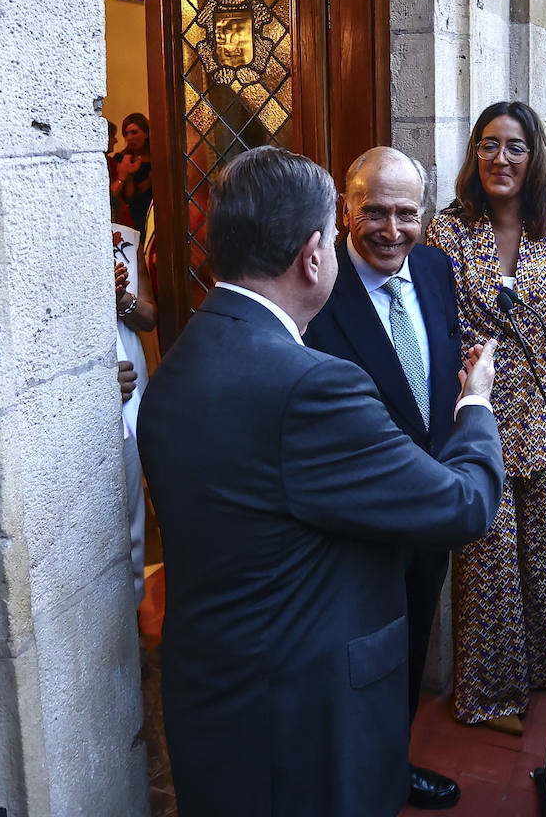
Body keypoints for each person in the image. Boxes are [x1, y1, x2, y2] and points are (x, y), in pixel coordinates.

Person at [136, 146, 503, 817]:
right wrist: (475, 405)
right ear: (313, 253)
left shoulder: (184, 357)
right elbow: (465, 504)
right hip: (302, 724)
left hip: (212, 702)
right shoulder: (312, 385)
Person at [427, 101, 546, 734]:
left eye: (513, 147)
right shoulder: (446, 230)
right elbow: (432, 322)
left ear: (534, 158)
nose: (498, 159)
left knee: (542, 554)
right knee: (487, 560)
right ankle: (493, 694)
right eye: (487, 145)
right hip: (479, 417)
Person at [300, 147, 467, 808]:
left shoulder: (434, 267)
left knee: (408, 649)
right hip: (353, 529)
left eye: (406, 213)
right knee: (350, 666)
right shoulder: (315, 289)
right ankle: (347, 783)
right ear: (346, 208)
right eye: (374, 212)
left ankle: (392, 768)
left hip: (425, 516)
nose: (392, 230)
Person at [112, 213, 157, 606]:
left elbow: (149, 317)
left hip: (130, 395)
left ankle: (136, 629)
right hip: (94, 396)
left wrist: (120, 299)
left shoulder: (125, 240)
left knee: (132, 520)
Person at [111, 111, 153, 234]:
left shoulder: (157, 158)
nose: (129, 138)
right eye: (126, 133)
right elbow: (127, 196)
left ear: (146, 134)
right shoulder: (120, 159)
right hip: (133, 216)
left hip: (155, 212)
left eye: (134, 132)